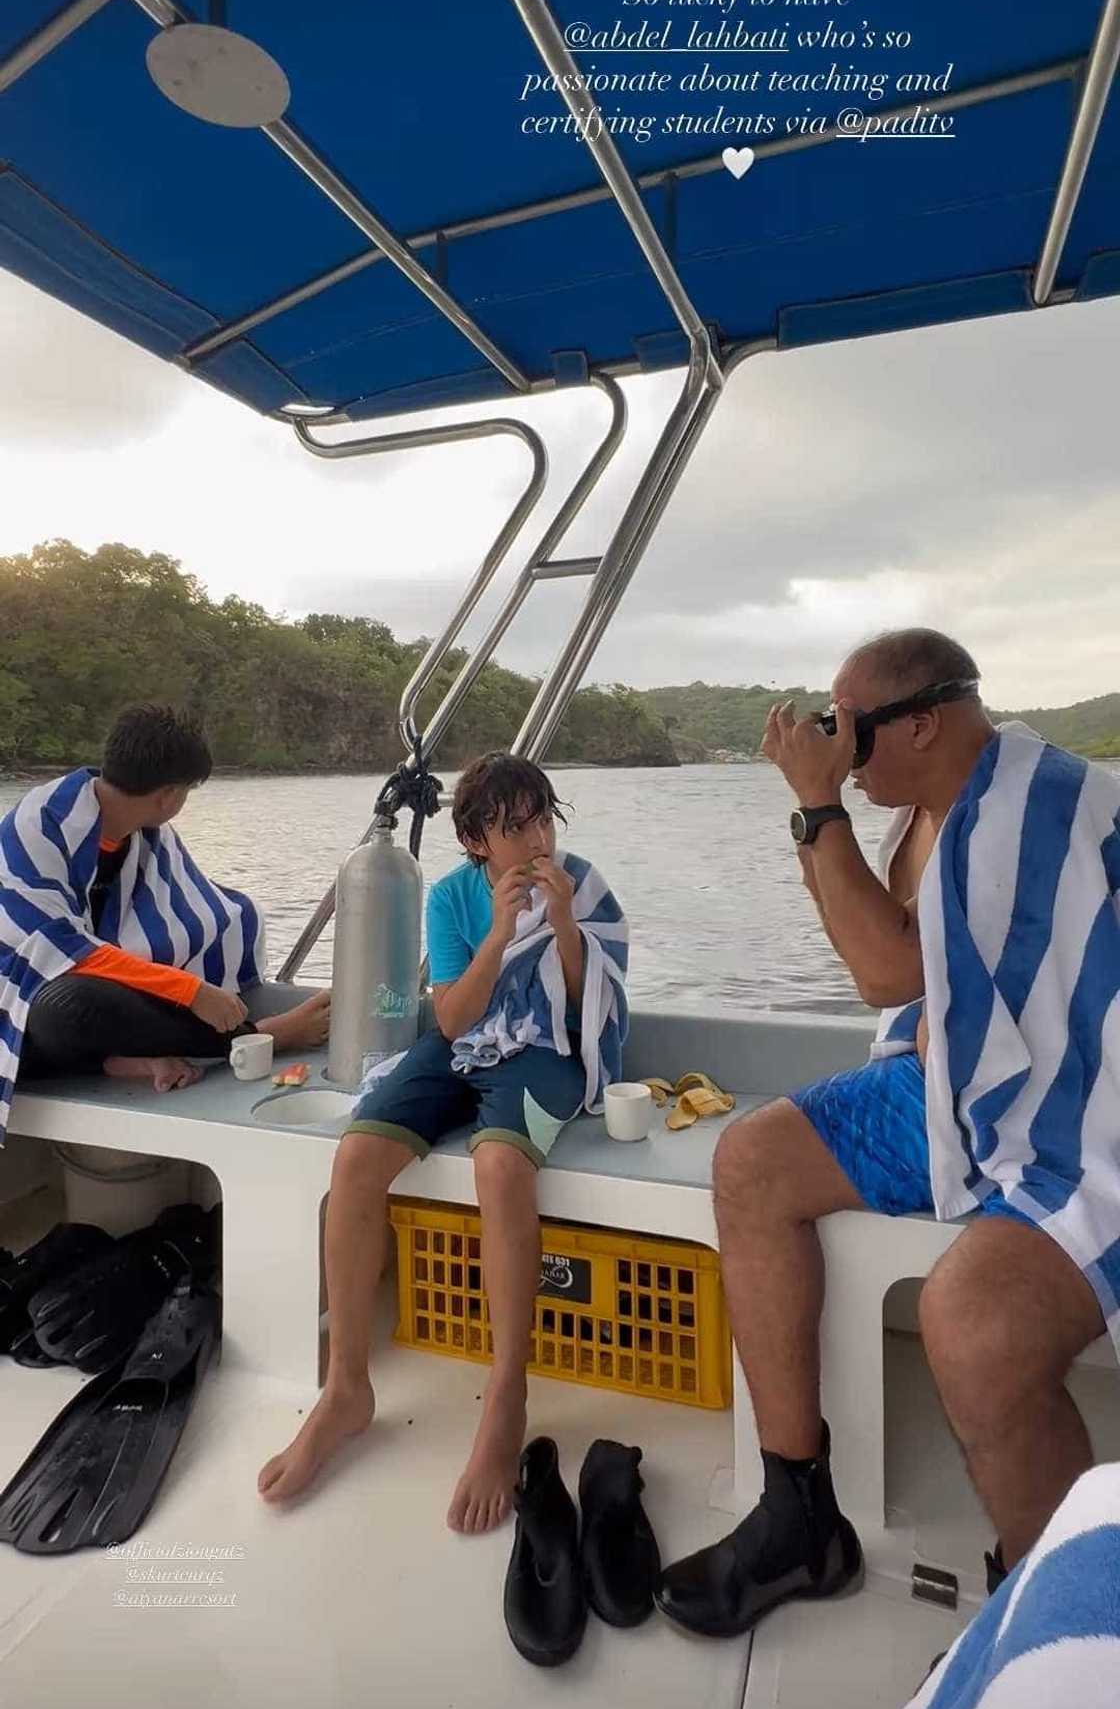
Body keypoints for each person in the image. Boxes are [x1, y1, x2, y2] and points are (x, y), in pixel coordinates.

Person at [656, 628, 1120, 1640]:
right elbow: (867, 941)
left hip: (1080, 1099)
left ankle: (1049, 1627)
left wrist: (820, 804)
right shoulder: (923, 808)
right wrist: (816, 813)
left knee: (978, 1327)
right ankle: (798, 1510)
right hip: (958, 1077)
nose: (836, 746)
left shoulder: (1016, 813)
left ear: (922, 720)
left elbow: (881, 972)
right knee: (750, 1160)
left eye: (849, 730)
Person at [258, 752, 628, 1535]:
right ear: (474, 841)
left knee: (499, 1166)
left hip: (542, 1053)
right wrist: (500, 930)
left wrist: (560, 923)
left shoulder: (583, 885)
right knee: (356, 1158)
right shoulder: (456, 898)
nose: (535, 841)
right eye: (512, 827)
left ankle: (506, 1395)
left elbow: (579, 1011)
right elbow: (454, 1019)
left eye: (541, 819)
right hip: (465, 1044)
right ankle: (346, 1388)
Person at [1, 704, 329, 1121]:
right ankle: (261, 1037)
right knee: (71, 1005)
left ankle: (125, 1059)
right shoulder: (41, 824)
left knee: (233, 914)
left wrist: (193, 981)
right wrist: (191, 991)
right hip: (18, 997)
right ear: (170, 796)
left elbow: (197, 910)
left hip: (76, 1004)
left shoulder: (141, 833)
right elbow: (55, 950)